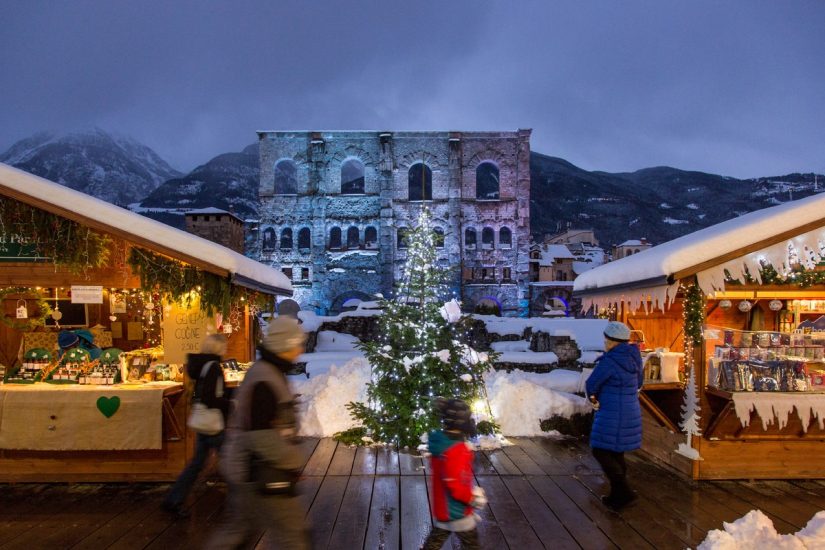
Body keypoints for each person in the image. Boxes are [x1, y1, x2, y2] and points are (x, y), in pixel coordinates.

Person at [207, 316, 308, 550]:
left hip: (253, 468)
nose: (300, 350)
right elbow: (260, 435)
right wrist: (292, 459)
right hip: (256, 470)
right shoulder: (265, 378)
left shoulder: (269, 372)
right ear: (285, 345)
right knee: (292, 534)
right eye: (297, 344)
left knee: (239, 532)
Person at [163, 334, 230, 517]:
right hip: (213, 423)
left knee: (196, 464)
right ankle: (244, 502)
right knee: (232, 461)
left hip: (202, 421)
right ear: (218, 348)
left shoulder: (201, 366)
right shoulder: (214, 367)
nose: (226, 349)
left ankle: (174, 498)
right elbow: (211, 398)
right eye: (224, 346)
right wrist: (231, 404)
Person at [586, 321, 644, 511]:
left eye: (606, 339)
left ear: (612, 341)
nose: (604, 343)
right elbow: (639, 382)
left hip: (612, 411)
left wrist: (594, 398)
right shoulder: (634, 357)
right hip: (629, 409)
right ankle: (617, 495)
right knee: (616, 451)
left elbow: (591, 384)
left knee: (600, 450)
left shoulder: (610, 362)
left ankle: (624, 492)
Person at [421, 398, 485, 550]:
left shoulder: (440, 442)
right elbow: (454, 484)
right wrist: (471, 499)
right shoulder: (456, 450)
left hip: (443, 506)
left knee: (435, 541)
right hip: (457, 511)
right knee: (472, 545)